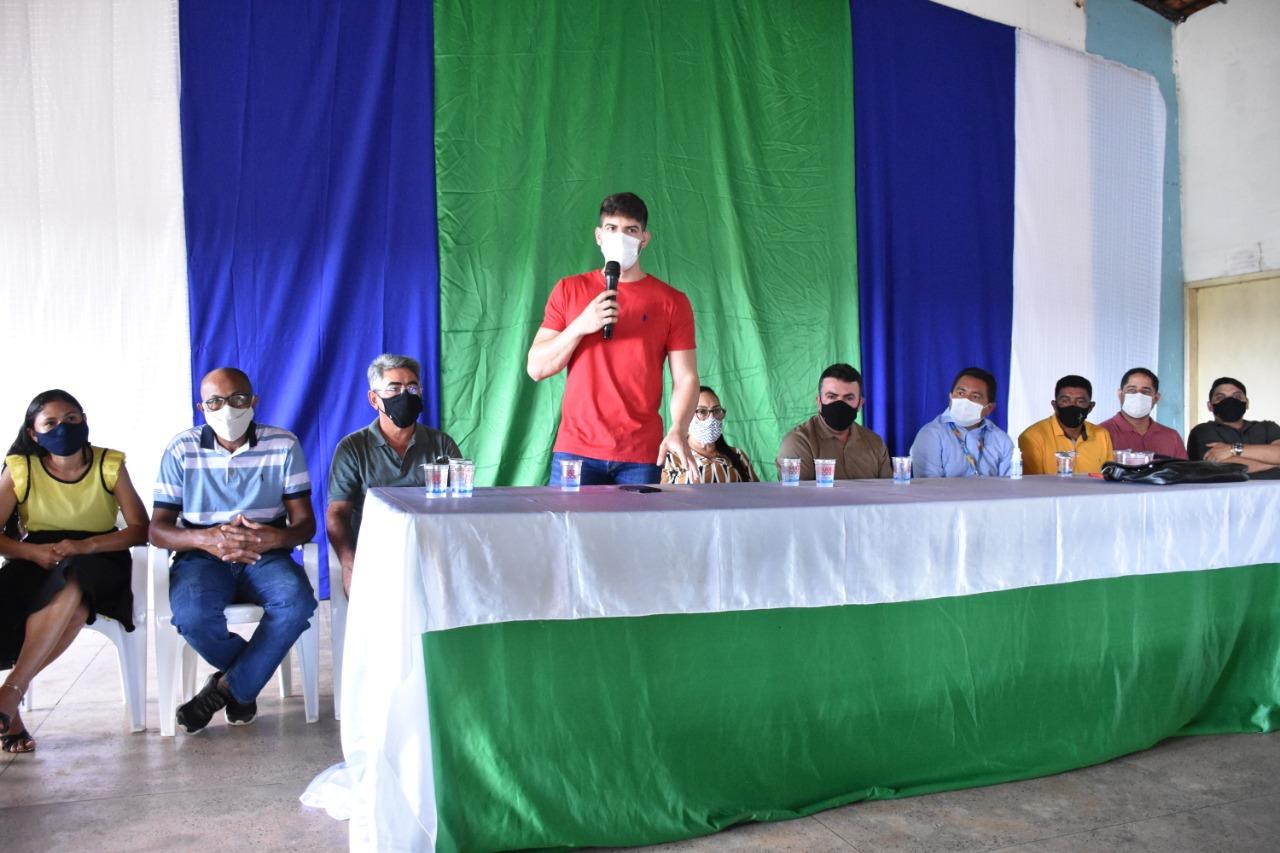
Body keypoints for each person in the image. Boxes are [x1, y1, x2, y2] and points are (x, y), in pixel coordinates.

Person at [150, 368, 317, 734]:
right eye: (215, 401)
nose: (228, 409)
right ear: (202, 407)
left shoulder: (283, 444)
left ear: (254, 401)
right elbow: (157, 529)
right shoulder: (182, 448)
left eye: (238, 399)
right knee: (192, 615)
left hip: (265, 553)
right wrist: (206, 539)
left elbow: (305, 524)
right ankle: (243, 685)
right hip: (201, 555)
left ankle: (224, 688)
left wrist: (273, 539)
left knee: (296, 603)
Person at [0, 390, 149, 754]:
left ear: (84, 420)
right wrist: (31, 552)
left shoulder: (108, 463)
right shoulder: (21, 467)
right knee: (76, 607)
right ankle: (9, 703)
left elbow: (139, 528)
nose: (63, 428)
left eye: (71, 418)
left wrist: (87, 546)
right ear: (34, 433)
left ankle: (9, 695)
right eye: (50, 422)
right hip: (38, 556)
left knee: (76, 578)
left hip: (101, 556)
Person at [526, 192, 699, 486]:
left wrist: (678, 430)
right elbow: (537, 368)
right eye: (611, 229)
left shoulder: (672, 302)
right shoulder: (569, 289)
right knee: (568, 532)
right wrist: (581, 325)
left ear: (644, 239)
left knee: (637, 534)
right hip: (575, 451)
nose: (621, 237)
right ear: (598, 236)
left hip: (641, 454)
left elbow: (686, 378)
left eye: (631, 230)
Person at [328, 354, 461, 596]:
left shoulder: (441, 444)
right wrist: (350, 565)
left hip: (433, 557)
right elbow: (337, 513)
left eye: (412, 387)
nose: (405, 396)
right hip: (376, 558)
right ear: (374, 399)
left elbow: (459, 506)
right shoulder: (352, 449)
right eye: (394, 388)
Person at [776, 364, 891, 480]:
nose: (840, 404)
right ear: (819, 402)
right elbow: (796, 496)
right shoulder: (798, 443)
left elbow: (888, 494)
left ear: (860, 404)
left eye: (849, 398)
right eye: (831, 397)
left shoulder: (875, 443)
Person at [909, 367, 1013, 477]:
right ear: (950, 397)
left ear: (990, 408)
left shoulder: (1002, 440)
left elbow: (1011, 486)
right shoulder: (931, 435)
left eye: (975, 396)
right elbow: (928, 488)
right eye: (960, 393)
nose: (966, 400)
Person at [1018, 374, 1115, 475]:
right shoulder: (1032, 436)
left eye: (1080, 401)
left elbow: (1108, 477)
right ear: (1054, 405)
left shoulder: (1101, 434)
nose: (1072, 405)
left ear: (1090, 407)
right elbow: (1031, 484)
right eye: (1065, 401)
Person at [661, 386, 758, 484]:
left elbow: (757, 493)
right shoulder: (671, 459)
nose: (712, 419)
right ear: (686, 417)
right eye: (702, 411)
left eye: (716, 411)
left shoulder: (737, 455)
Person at [1187, 377, 1280, 479]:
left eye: (1237, 396)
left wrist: (1233, 449)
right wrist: (1274, 462)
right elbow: (1224, 466)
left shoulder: (1268, 427)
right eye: (1220, 398)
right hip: (1224, 494)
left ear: (1247, 403)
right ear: (1210, 406)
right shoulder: (1203, 431)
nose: (1230, 400)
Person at [1098, 368, 1187, 459]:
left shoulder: (1171, 437)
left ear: (1156, 398)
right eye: (1132, 390)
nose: (1139, 396)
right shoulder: (1100, 434)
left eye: (1146, 391)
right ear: (1120, 395)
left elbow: (1183, 472)